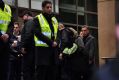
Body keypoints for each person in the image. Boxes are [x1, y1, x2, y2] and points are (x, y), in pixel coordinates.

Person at [21, 1, 58, 80]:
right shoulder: (37, 18)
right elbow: (37, 33)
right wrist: (51, 42)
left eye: (51, 7)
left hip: (52, 51)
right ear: (43, 8)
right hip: (42, 51)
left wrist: (56, 42)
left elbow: (57, 33)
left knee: (51, 74)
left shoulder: (54, 19)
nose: (49, 9)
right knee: (41, 74)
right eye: (47, 7)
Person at [0, 0, 13, 80]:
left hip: (5, 42)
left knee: (5, 69)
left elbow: (11, 24)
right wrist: (1, 35)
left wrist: (7, 34)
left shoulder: (8, 7)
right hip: (1, 38)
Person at [21, 11, 35, 80]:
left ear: (26, 15)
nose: (22, 18)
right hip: (32, 50)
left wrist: (23, 46)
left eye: (23, 16)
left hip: (28, 50)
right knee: (31, 70)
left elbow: (28, 34)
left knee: (26, 70)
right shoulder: (34, 23)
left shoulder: (29, 22)